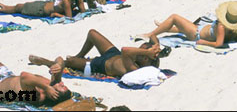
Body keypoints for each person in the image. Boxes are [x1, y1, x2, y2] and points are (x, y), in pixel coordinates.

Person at [28, 30, 162, 78]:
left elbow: (125, 50)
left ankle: (46, 62)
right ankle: (79, 55)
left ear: (147, 64)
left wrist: (147, 52)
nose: (143, 53)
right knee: (92, 34)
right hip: (113, 54)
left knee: (68, 63)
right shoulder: (140, 58)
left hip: (99, 65)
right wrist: (156, 48)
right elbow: (154, 36)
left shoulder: (134, 68)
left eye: (145, 56)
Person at [143, 1, 237, 48]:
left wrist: (204, 42)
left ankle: (150, 34)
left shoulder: (221, 26)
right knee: (181, 28)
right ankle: (164, 26)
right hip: (201, 30)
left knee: (174, 17)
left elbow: (218, 44)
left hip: (196, 33)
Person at [0, 0, 82, 19]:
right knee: (19, 6)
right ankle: (5, 7)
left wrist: (57, 14)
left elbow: (69, 18)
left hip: (40, 10)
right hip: (43, 4)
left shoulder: (66, 1)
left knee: (19, 8)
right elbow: (83, 11)